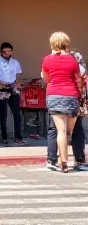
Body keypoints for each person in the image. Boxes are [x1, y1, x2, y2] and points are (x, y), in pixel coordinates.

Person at [42, 32, 83, 172]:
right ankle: (64, 160)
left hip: (54, 95)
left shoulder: (47, 59)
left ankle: (63, 162)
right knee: (68, 132)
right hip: (71, 96)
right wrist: (81, 93)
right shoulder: (72, 60)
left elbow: (46, 79)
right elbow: (78, 79)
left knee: (61, 130)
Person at [0, 42, 24, 145]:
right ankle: (4, 137)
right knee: (3, 114)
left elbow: (18, 74)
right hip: (2, 88)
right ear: (1, 52)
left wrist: (17, 83)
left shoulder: (15, 62)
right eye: (5, 52)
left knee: (16, 113)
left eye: (9, 51)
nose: (7, 53)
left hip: (12, 88)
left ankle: (18, 137)